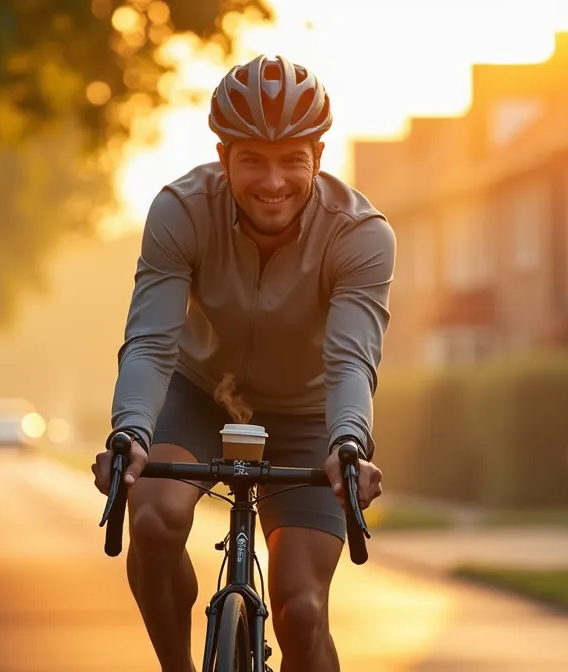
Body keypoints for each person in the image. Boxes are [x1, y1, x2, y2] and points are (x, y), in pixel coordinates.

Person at [90, 54, 393, 672]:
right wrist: (132, 431)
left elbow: (351, 360)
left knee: (302, 612)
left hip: (310, 415)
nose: (273, 180)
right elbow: (150, 340)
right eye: (252, 158)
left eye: (292, 160)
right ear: (224, 157)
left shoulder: (360, 234)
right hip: (199, 393)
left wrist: (348, 441)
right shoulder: (180, 210)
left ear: (319, 156)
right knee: (152, 522)